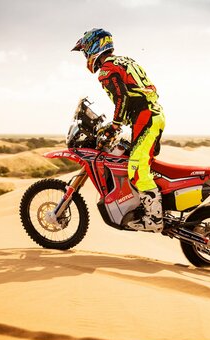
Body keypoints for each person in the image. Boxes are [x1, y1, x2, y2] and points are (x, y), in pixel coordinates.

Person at [72, 28, 165, 233]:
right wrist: (119, 123)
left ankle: (155, 218)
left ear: (94, 47)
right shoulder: (124, 61)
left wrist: (115, 125)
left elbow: (122, 98)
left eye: (86, 50)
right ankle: (150, 205)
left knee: (137, 168)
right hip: (150, 115)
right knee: (137, 161)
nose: (86, 56)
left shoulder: (107, 69)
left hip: (145, 118)